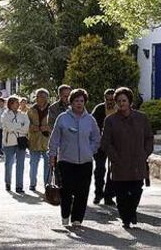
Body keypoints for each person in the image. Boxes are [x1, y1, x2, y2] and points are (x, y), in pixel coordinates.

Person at [101, 87, 153, 229]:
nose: (122, 103)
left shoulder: (141, 118)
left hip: (137, 161)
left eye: (124, 100)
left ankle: (131, 212)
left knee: (136, 190)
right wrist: (114, 157)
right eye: (119, 101)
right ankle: (126, 218)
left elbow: (149, 137)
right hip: (119, 163)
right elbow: (105, 142)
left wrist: (145, 153)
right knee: (121, 194)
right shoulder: (110, 120)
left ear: (130, 101)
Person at [49, 89, 101, 227]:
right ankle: (65, 215)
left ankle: (77, 219)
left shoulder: (90, 119)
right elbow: (54, 139)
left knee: (82, 191)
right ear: (71, 103)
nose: (79, 103)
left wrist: (90, 150)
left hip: (85, 161)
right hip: (66, 160)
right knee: (66, 191)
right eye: (76, 101)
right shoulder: (62, 118)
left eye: (82, 101)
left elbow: (96, 138)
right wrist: (52, 155)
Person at [92, 89, 117, 205]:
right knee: (100, 169)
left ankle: (109, 196)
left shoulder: (119, 110)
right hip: (100, 145)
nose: (109, 102)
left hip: (115, 145)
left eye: (111, 99)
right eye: (107, 99)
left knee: (113, 170)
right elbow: (92, 124)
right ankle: (98, 194)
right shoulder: (99, 109)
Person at [2, 96, 30, 193]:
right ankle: (8, 183)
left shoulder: (23, 114)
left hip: (21, 141)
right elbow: (9, 127)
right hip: (9, 142)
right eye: (15, 103)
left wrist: (16, 127)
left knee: (20, 165)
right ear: (10, 104)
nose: (17, 104)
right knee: (8, 164)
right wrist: (20, 126)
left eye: (18, 102)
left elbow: (27, 127)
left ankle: (19, 186)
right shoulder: (5, 115)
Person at [27, 88, 51, 191]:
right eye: (36, 96)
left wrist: (48, 127)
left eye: (40, 96)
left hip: (48, 141)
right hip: (34, 140)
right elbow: (25, 124)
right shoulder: (31, 109)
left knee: (48, 165)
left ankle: (47, 184)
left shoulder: (52, 109)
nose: (37, 98)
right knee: (33, 164)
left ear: (46, 98)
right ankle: (32, 184)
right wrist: (32, 127)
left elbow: (57, 124)